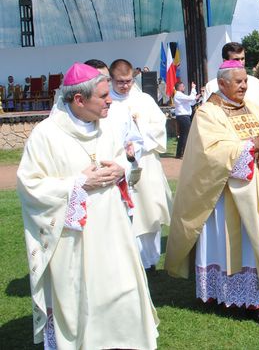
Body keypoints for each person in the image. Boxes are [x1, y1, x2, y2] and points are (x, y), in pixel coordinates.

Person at [17, 63, 159, 349]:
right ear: (79, 100)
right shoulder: (46, 135)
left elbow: (125, 161)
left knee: (124, 290)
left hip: (116, 231)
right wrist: (77, 183)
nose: (110, 100)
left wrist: (122, 168)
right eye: (103, 96)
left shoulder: (107, 126)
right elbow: (29, 186)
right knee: (83, 297)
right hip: (75, 240)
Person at [165, 59, 259, 327]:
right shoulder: (208, 114)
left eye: (245, 81)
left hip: (258, 192)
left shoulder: (250, 108)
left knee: (257, 245)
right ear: (222, 83)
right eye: (238, 81)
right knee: (234, 246)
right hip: (224, 198)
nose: (244, 85)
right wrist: (252, 145)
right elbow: (210, 153)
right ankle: (220, 294)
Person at [110, 59, 172, 270]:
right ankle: (128, 260)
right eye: (120, 82)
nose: (125, 86)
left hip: (145, 161)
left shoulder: (144, 99)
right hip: (119, 165)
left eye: (128, 81)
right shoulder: (106, 101)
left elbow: (160, 126)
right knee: (124, 211)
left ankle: (149, 260)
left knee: (149, 210)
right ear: (111, 79)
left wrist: (139, 140)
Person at [204, 42, 259, 124]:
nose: (241, 63)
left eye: (242, 59)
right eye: (236, 59)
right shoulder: (212, 86)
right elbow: (207, 118)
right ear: (225, 61)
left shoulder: (255, 83)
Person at [173, 80, 199, 159]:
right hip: (183, 117)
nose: (184, 87)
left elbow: (191, 102)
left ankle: (179, 153)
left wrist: (195, 99)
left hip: (184, 116)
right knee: (185, 135)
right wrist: (193, 89)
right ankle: (183, 153)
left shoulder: (180, 95)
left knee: (183, 135)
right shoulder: (178, 95)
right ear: (179, 87)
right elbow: (191, 98)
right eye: (183, 86)